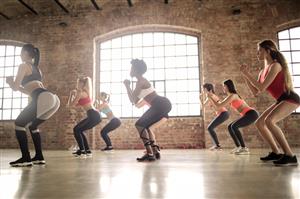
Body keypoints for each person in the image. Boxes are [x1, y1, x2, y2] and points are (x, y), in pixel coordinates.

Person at [240, 39, 299, 166]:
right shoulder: (262, 71)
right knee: (260, 123)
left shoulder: (276, 66)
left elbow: (262, 87)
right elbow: (256, 92)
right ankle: (276, 152)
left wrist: (248, 74)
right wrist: (245, 76)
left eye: (259, 50)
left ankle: (290, 155)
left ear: (267, 51)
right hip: (280, 100)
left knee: (269, 121)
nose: (257, 54)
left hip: (290, 98)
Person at [6, 44, 60, 166]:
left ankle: (26, 158)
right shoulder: (37, 69)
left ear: (25, 53)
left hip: (42, 97)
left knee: (19, 123)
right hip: (53, 99)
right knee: (32, 125)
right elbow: (28, 91)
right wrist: (14, 85)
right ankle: (39, 157)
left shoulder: (23, 66)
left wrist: (10, 82)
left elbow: (15, 88)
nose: (20, 55)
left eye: (21, 53)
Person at [123, 59, 172, 161]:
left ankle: (149, 153)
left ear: (136, 70)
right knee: (146, 127)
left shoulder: (141, 81)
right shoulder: (140, 82)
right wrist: (128, 87)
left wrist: (127, 86)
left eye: (131, 68)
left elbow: (132, 98)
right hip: (161, 104)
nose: (130, 70)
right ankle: (154, 151)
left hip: (160, 104)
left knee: (139, 125)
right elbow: (134, 101)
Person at [208, 79, 259, 155]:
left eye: (224, 86)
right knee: (230, 126)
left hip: (251, 114)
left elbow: (219, 106)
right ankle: (239, 147)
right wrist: (210, 98)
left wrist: (210, 97)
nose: (223, 88)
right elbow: (218, 107)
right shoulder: (230, 96)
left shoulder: (233, 96)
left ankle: (244, 148)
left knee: (234, 126)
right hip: (247, 114)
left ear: (228, 86)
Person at [67, 76, 101, 157]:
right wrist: (71, 95)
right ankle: (87, 151)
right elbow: (70, 106)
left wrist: (71, 94)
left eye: (78, 82)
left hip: (93, 115)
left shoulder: (81, 93)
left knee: (76, 129)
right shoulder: (84, 93)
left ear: (82, 84)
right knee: (79, 130)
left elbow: (71, 105)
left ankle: (82, 151)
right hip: (93, 115)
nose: (77, 84)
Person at [201, 83, 230, 150]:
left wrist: (207, 98)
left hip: (224, 113)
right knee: (210, 128)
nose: (203, 91)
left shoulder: (211, 96)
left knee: (210, 128)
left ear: (209, 90)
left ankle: (217, 145)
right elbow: (202, 107)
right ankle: (217, 145)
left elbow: (217, 107)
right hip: (223, 114)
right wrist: (200, 98)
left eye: (204, 89)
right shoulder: (210, 97)